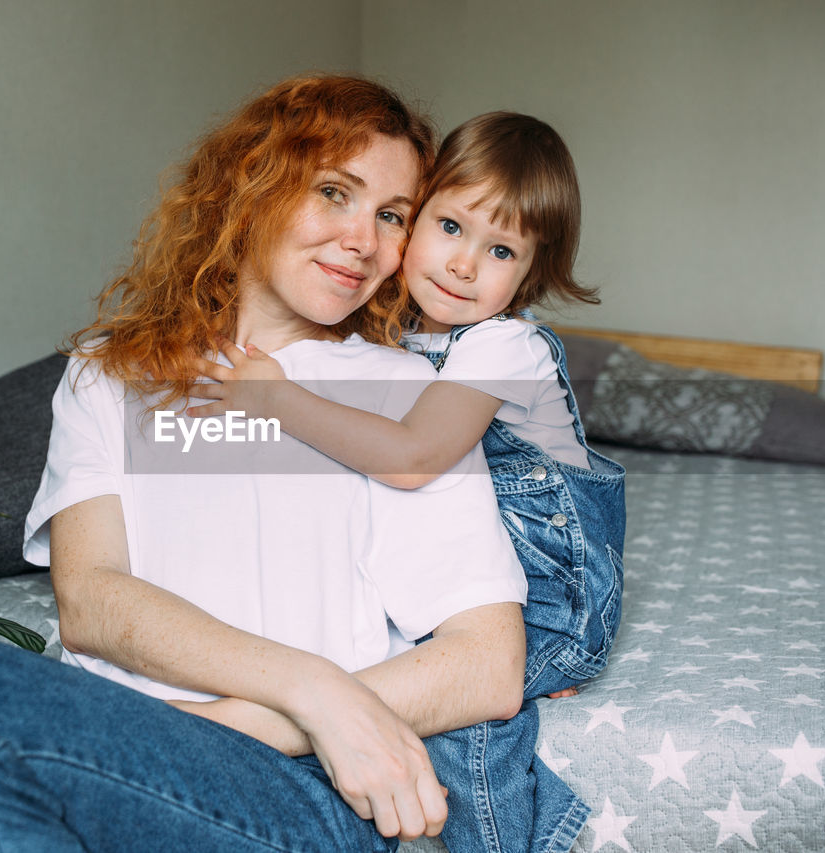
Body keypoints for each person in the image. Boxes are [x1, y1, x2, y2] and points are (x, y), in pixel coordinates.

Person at [0, 78, 587, 852]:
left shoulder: (404, 394)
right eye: (334, 192)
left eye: (391, 215)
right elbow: (91, 598)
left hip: (300, 788)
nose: (363, 239)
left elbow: (486, 664)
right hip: (126, 750)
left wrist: (309, 720)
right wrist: (313, 686)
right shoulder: (106, 375)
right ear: (253, 189)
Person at [189, 111, 627, 705]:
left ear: (530, 275)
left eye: (501, 250)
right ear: (414, 220)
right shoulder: (397, 332)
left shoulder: (505, 347)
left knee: (416, 702)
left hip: (549, 607)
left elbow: (413, 458)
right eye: (449, 225)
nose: (463, 264)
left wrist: (277, 399)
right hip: (455, 583)